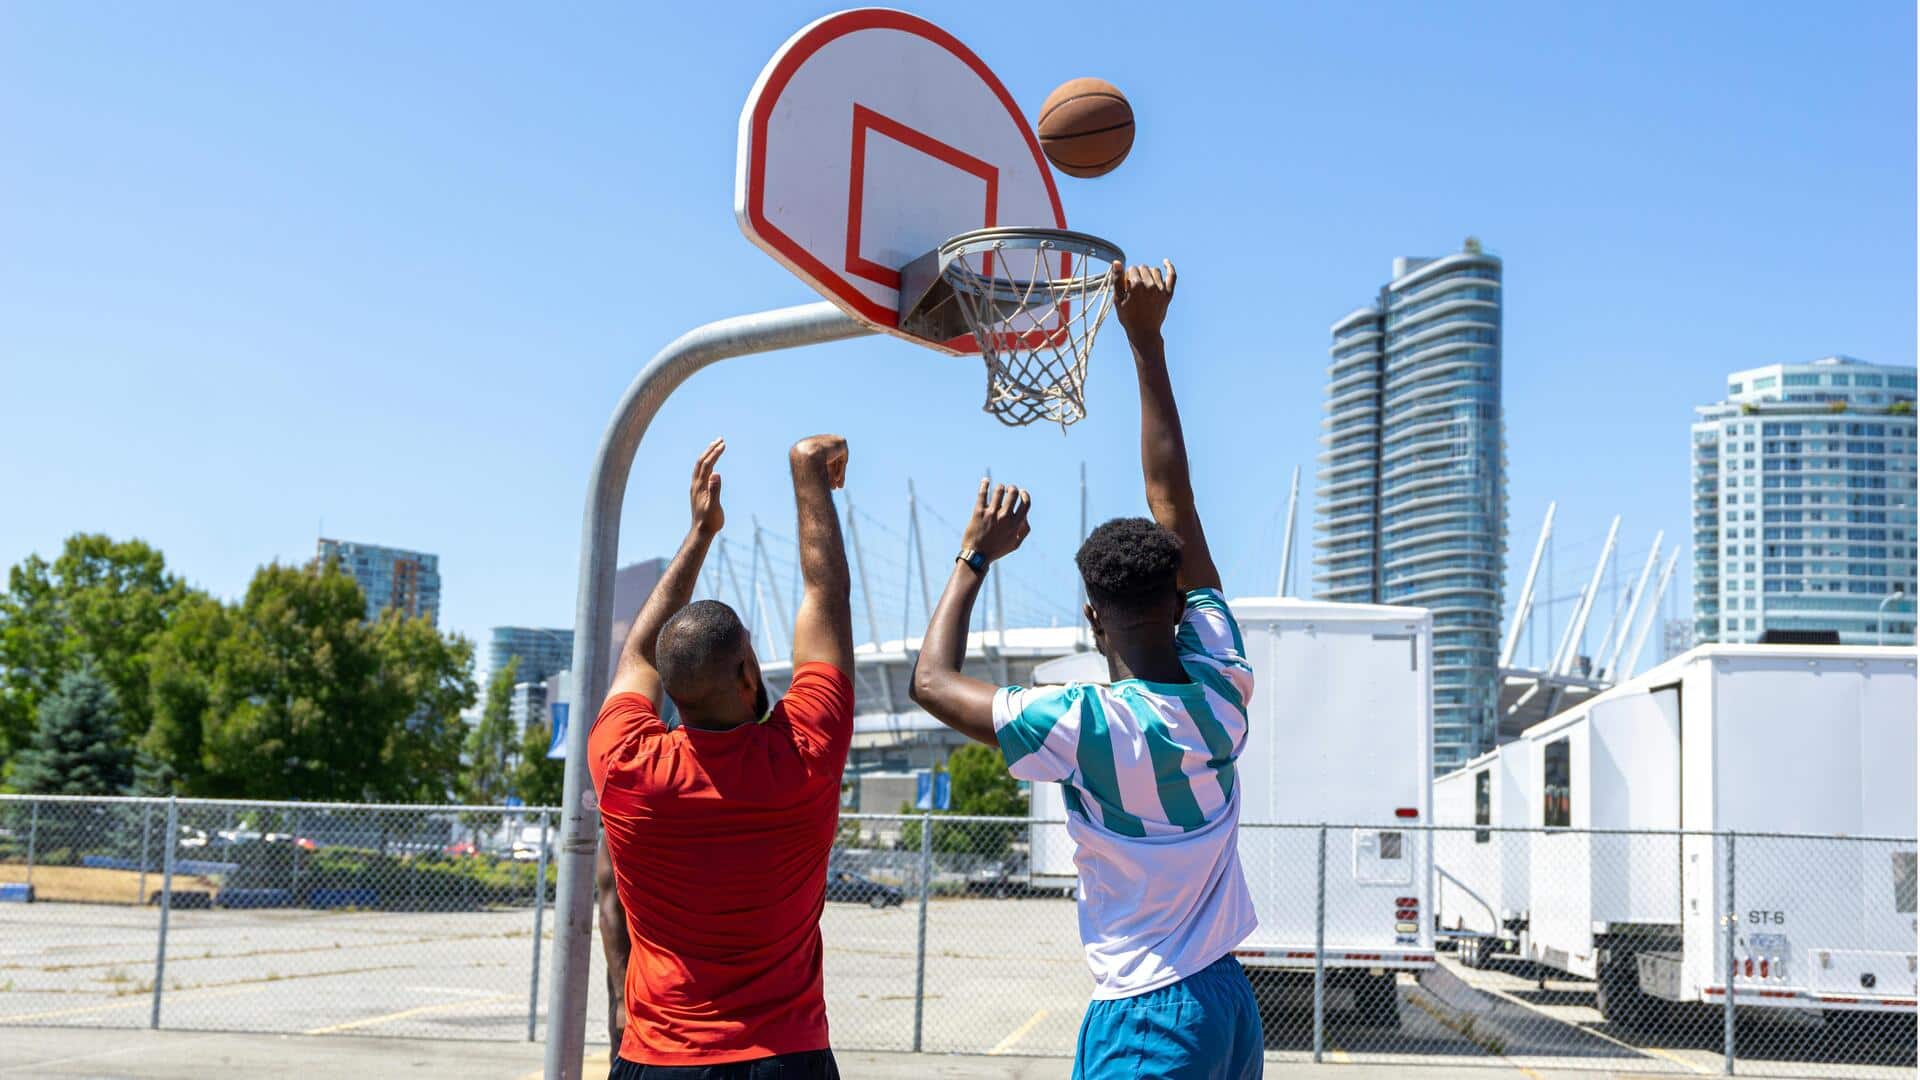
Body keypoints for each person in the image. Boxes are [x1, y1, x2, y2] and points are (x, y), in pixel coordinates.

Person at [909, 262, 1263, 1079]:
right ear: (1179, 603)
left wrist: (973, 557)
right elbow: (1174, 500)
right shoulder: (1224, 683)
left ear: (1092, 619)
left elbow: (930, 681)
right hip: (1227, 1002)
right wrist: (1147, 342)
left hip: (1148, 1012)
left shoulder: (1080, 723)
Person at [589, 434, 856, 1079]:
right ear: (747, 673)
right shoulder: (803, 754)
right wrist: (808, 474)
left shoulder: (626, 764)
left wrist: (699, 535)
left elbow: (638, 655)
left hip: (660, 1058)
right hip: (785, 1057)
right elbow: (825, 597)